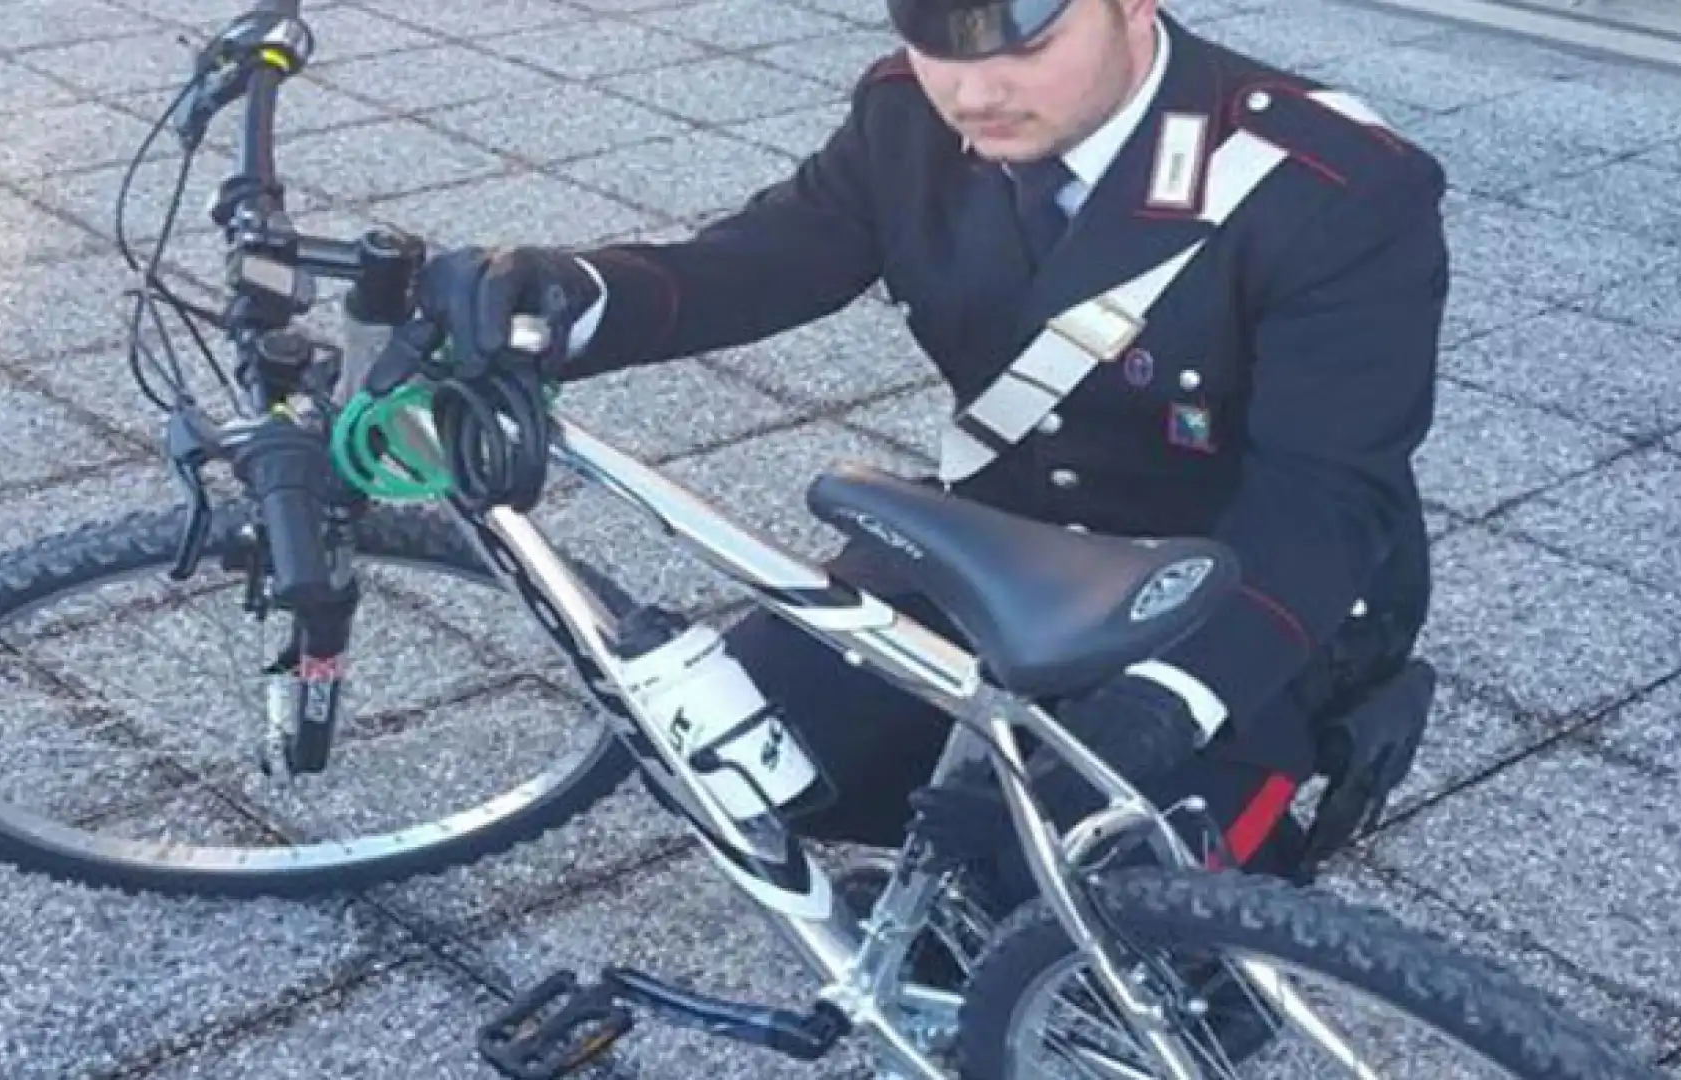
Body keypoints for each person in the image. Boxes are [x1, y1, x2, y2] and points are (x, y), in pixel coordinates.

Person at [407, 0, 1448, 917]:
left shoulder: (1328, 185)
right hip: (1011, 548)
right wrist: (570, 297)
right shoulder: (907, 115)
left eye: (1026, 41)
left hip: (1233, 584)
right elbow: (762, 264)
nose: (976, 89)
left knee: (1111, 917)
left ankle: (1243, 822)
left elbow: (1325, 500)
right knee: (742, 756)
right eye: (936, 36)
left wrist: (1170, 699)